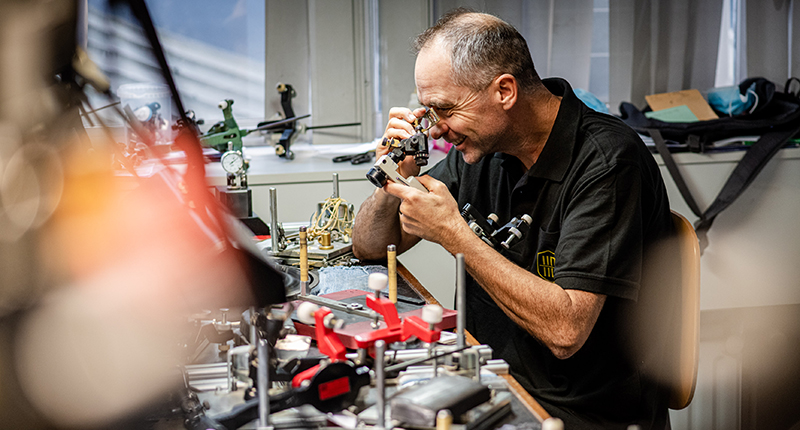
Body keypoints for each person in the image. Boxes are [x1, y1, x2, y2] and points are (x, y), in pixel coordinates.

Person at [352, 8, 675, 430]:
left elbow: (566, 331)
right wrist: (393, 177)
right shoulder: (484, 150)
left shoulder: (608, 162)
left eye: (444, 109)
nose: (434, 130)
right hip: (488, 380)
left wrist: (455, 235)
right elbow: (371, 246)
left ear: (504, 91)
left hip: (579, 412)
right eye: (427, 113)